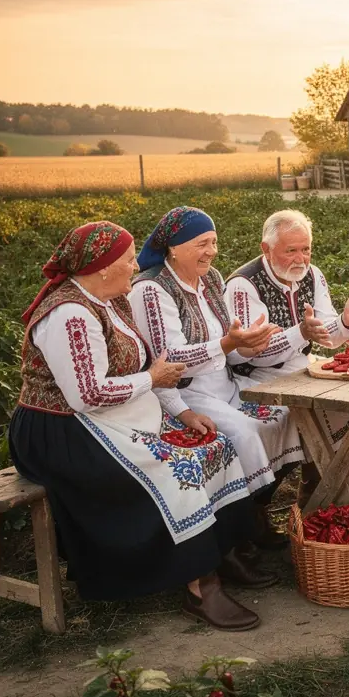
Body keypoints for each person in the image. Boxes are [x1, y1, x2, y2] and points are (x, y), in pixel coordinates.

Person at [10, 221, 268, 631]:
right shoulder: (69, 314)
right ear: (102, 267)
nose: (136, 266)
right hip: (61, 432)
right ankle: (201, 584)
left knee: (215, 446)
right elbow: (88, 394)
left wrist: (182, 412)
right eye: (129, 260)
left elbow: (151, 367)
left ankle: (222, 553)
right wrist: (151, 380)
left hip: (111, 417)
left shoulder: (112, 300)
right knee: (178, 470)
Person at [131, 206, 303, 548]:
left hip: (225, 383)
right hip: (183, 394)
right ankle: (238, 535)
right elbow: (170, 360)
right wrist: (228, 344)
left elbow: (230, 345)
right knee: (246, 433)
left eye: (213, 242)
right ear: (173, 247)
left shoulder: (210, 279)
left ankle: (256, 512)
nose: (211, 251)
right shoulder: (151, 289)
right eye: (201, 244)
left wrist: (249, 346)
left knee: (286, 413)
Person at [224, 209, 349, 504]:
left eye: (306, 249)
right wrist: (300, 333)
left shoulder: (313, 275)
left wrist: (344, 321)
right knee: (294, 418)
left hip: (302, 367)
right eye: (290, 250)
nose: (300, 259)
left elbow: (325, 334)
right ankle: (291, 492)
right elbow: (252, 353)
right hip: (256, 380)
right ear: (266, 249)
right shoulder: (243, 285)